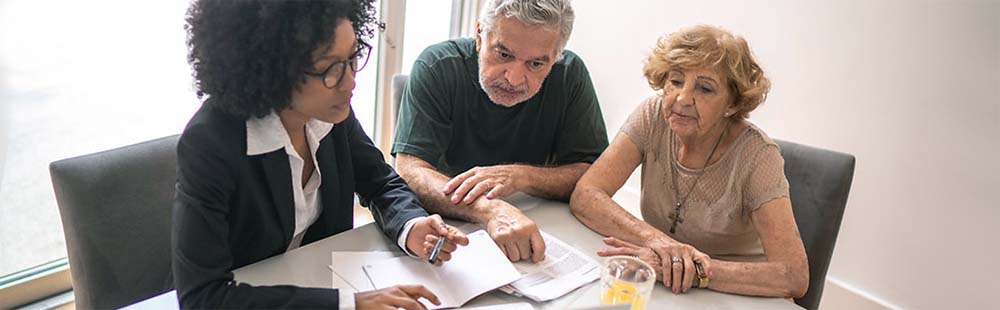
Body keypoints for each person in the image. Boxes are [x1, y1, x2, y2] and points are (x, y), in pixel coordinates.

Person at [173, 1, 468, 308]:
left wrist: (411, 227)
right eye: (330, 68)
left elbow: (379, 182)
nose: (351, 81)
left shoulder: (327, 113)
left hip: (324, 278)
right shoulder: (210, 145)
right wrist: (348, 304)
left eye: (352, 57)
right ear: (274, 69)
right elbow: (203, 297)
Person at [569, 25, 809, 298]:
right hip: (671, 287)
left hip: (736, 294)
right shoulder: (653, 114)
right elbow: (586, 194)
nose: (682, 99)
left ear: (732, 104)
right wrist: (658, 241)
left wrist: (694, 270)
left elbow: (793, 276)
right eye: (675, 81)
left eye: (705, 88)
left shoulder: (759, 156)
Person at [392, 0, 608, 263]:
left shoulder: (570, 75)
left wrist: (521, 176)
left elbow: (594, 176)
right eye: (503, 55)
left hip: (539, 226)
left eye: (536, 64)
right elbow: (409, 169)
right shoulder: (437, 66)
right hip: (445, 229)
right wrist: (489, 209)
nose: (514, 78)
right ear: (480, 34)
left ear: (556, 57)